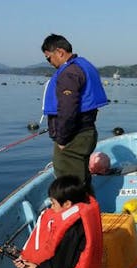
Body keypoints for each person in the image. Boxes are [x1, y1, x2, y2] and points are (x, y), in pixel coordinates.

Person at [41, 34, 108, 193]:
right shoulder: (84, 65)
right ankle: (89, 214)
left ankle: (78, 216)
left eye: (49, 58)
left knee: (69, 184)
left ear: (60, 52)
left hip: (73, 136)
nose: (50, 63)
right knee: (82, 179)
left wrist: (62, 139)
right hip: (86, 132)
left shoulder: (69, 73)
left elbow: (68, 108)